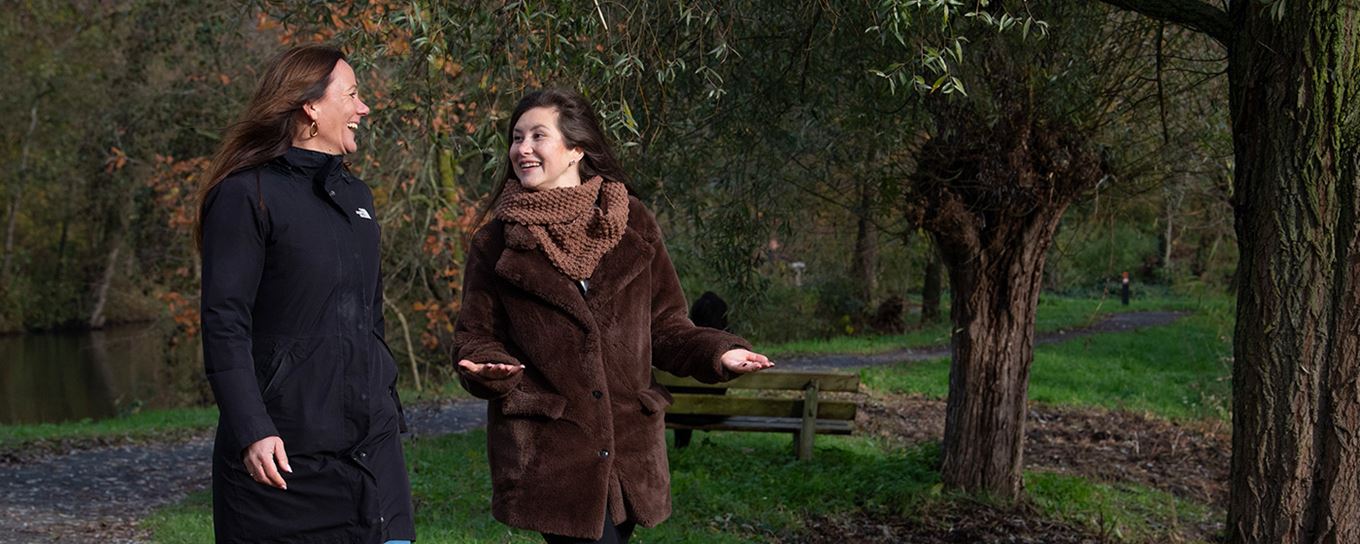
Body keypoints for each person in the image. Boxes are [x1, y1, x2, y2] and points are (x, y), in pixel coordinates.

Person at [453, 88, 774, 543]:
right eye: (516, 137)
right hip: (553, 452)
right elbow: (475, 334)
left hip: (629, 448)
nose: (522, 149)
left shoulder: (633, 224)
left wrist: (719, 354)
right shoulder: (494, 243)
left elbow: (665, 326)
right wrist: (488, 367)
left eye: (537, 136)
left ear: (576, 148)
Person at [197, 44, 415, 544]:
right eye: (354, 94)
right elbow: (224, 322)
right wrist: (252, 427)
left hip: (372, 454)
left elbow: (368, 318)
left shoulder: (357, 198)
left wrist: (383, 398)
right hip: (281, 458)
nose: (364, 108)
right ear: (311, 106)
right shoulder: (244, 195)